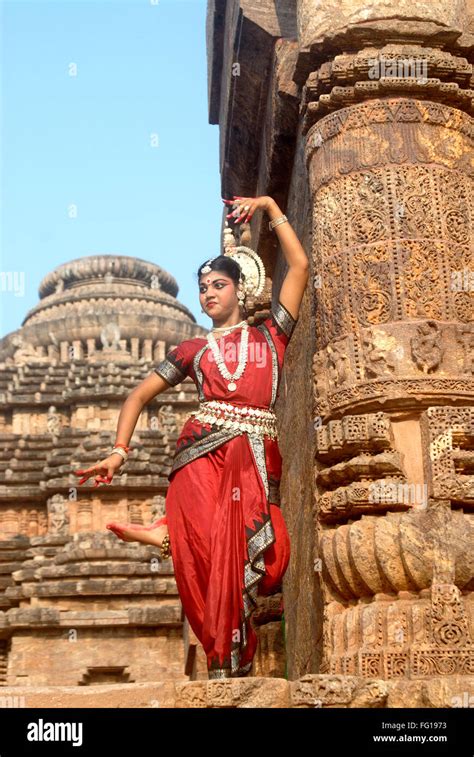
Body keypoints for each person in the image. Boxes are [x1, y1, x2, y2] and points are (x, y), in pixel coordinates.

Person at [74, 195, 308, 678]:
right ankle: (219, 657)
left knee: (266, 557)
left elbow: (300, 264)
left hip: (255, 454)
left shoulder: (270, 336)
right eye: (203, 288)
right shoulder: (192, 349)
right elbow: (138, 396)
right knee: (208, 553)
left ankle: (167, 536)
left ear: (242, 289)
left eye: (219, 285)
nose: (208, 294)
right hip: (199, 455)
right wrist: (119, 452)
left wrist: (267, 205)